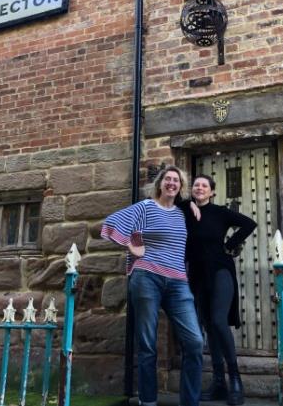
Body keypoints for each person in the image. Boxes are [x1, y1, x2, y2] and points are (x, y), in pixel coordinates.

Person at [101, 165, 203, 406]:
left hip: (178, 281)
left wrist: (191, 204)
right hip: (147, 276)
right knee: (148, 343)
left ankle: (190, 402)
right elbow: (111, 223)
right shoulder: (146, 207)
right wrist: (131, 245)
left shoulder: (181, 213)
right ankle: (148, 401)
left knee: (195, 342)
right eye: (167, 179)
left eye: (176, 181)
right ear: (159, 183)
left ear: (181, 187)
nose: (171, 183)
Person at [182, 174, 257, 406]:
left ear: (212, 192)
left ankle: (235, 379)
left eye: (205, 186)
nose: (200, 188)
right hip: (196, 274)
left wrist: (230, 245)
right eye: (196, 185)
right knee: (207, 325)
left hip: (220, 270)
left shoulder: (220, 212)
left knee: (217, 321)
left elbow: (249, 224)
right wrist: (188, 203)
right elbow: (173, 200)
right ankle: (218, 383)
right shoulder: (185, 211)